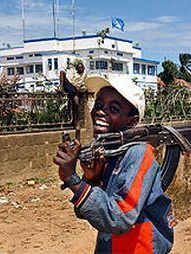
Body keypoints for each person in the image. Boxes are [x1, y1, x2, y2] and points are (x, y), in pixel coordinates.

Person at [53, 75, 174, 253]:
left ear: (132, 121)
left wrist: (73, 180)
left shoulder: (138, 153)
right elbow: (90, 213)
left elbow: (120, 217)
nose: (101, 111)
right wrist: (92, 179)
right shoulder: (110, 150)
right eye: (99, 105)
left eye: (114, 109)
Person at [59, 61, 88, 129]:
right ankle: (61, 88)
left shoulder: (85, 75)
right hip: (71, 86)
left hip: (76, 90)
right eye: (79, 68)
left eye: (81, 67)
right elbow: (71, 81)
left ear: (83, 68)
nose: (80, 69)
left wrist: (82, 89)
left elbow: (85, 84)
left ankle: (76, 122)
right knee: (62, 72)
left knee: (76, 103)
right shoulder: (74, 73)